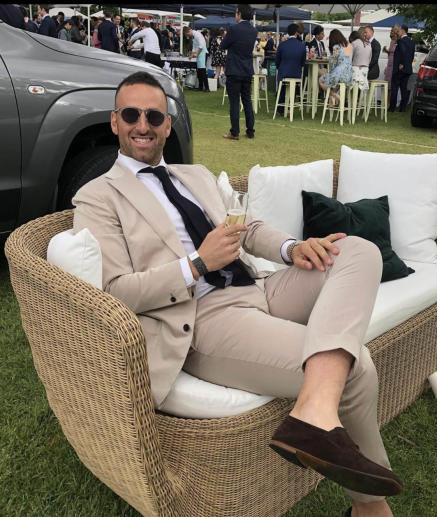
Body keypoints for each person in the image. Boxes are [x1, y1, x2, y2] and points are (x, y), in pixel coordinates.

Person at [73, 71, 402, 517]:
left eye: (154, 115)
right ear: (115, 122)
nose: (143, 125)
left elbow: (245, 229)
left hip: (259, 286)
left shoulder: (196, 174)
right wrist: (197, 264)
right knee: (355, 365)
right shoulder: (98, 197)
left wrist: (293, 248)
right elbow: (114, 293)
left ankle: (313, 410)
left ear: (168, 125)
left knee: (357, 251)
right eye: (132, 114)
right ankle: (371, 508)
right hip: (202, 318)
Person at [220, 5, 258, 140]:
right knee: (247, 100)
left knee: (234, 102)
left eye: (236, 14)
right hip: (247, 69)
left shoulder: (233, 29)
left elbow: (222, 45)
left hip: (234, 69)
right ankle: (250, 130)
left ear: (239, 14)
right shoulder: (253, 30)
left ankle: (234, 132)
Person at [275, 23, 306, 116]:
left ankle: (280, 109)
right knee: (289, 87)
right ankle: (288, 107)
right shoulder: (302, 45)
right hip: (296, 74)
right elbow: (303, 62)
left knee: (282, 87)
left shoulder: (282, 45)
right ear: (296, 33)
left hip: (283, 72)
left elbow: (277, 61)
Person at [322, 29, 354, 108]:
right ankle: (332, 101)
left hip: (339, 74)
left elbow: (333, 63)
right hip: (349, 75)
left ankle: (336, 96)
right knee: (333, 84)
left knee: (321, 80)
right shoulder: (349, 45)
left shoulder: (336, 47)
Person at [388, 25, 414, 113]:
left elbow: (403, 52)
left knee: (394, 88)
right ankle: (402, 108)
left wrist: (401, 63)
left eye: (398, 31)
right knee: (404, 89)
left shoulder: (401, 41)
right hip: (408, 69)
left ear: (402, 31)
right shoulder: (411, 42)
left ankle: (392, 107)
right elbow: (411, 55)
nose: (397, 32)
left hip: (399, 68)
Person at [186, 26, 208, 92]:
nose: (188, 35)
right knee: (199, 71)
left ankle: (207, 88)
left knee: (203, 71)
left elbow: (201, 46)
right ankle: (200, 87)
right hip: (199, 54)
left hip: (203, 53)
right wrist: (192, 55)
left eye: (187, 34)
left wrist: (196, 54)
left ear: (189, 31)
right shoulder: (193, 36)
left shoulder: (197, 34)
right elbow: (194, 47)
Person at [383, 25, 399, 108]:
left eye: (392, 31)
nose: (390, 32)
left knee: (391, 85)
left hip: (394, 65)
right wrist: (387, 51)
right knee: (387, 85)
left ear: (395, 32)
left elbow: (396, 52)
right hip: (389, 64)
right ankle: (387, 103)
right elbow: (391, 52)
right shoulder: (392, 41)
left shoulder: (398, 41)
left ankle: (390, 103)